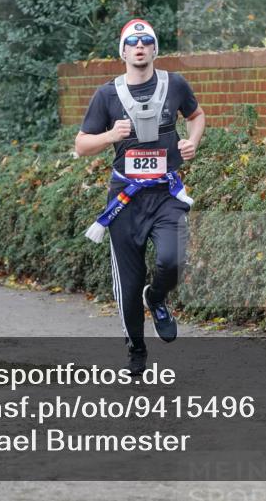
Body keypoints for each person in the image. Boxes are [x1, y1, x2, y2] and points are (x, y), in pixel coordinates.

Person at [75, 19, 206, 375]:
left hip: (166, 194)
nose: (139, 46)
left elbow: (196, 116)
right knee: (128, 287)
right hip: (126, 202)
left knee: (171, 259)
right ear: (123, 51)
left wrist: (192, 141)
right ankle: (136, 349)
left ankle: (158, 297)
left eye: (146, 41)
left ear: (154, 49)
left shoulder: (174, 84)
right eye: (132, 42)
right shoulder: (107, 95)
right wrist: (108, 136)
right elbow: (81, 144)